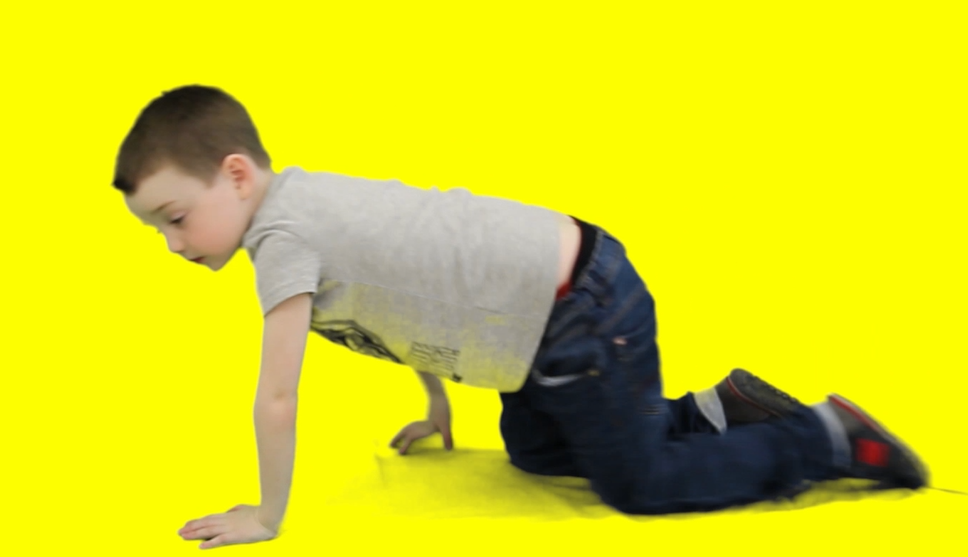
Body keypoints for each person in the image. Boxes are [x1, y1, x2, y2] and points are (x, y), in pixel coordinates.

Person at [114, 85, 928, 550]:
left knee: (636, 485)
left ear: (236, 175)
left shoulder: (283, 237)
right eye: (156, 230)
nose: (172, 244)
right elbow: (401, 289)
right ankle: (718, 413)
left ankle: (824, 438)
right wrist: (436, 401)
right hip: (543, 324)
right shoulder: (305, 209)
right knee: (537, 453)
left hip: (579, 310)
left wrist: (266, 516)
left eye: (175, 218)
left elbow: (277, 396)